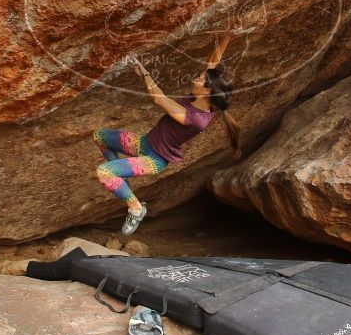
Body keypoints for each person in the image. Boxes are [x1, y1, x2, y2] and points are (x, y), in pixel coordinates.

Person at [93, 33, 241, 235]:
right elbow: (212, 63)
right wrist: (228, 36)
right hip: (143, 143)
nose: (196, 78)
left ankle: (135, 208)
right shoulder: (199, 97)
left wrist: (144, 73)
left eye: (200, 79)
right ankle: (125, 189)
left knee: (104, 172)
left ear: (208, 91)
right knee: (100, 137)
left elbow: (158, 98)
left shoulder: (196, 118)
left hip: (154, 159)